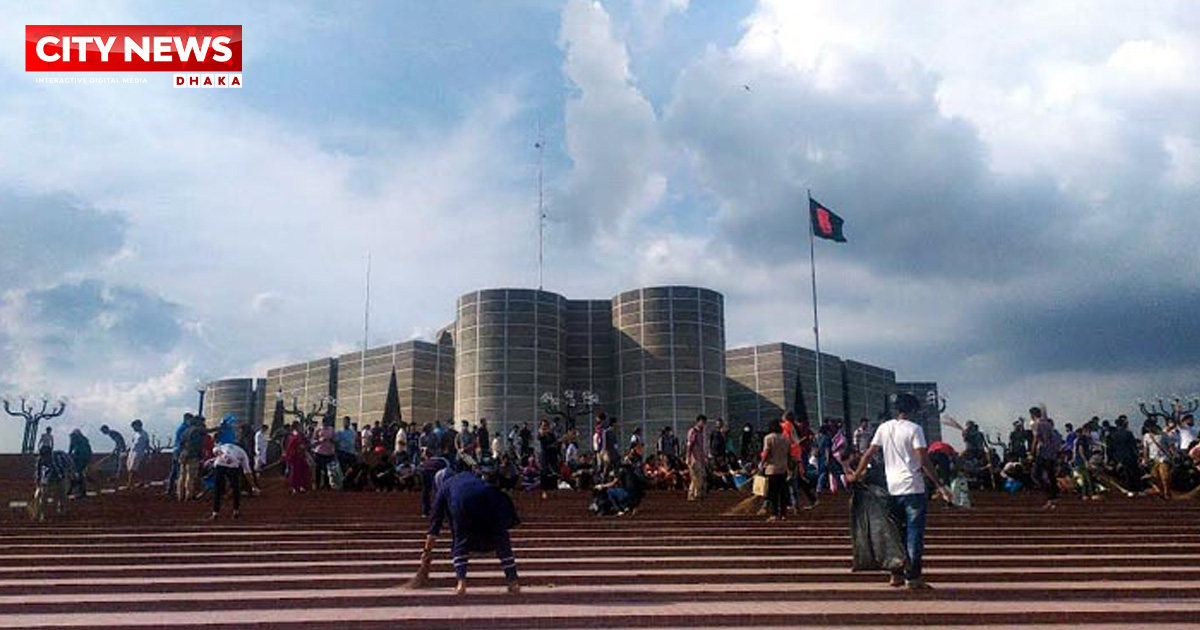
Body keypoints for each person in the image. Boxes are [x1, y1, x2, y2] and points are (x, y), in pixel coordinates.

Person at [848, 393, 951, 590]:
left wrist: (858, 473)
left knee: (895, 532)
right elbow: (923, 460)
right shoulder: (915, 429)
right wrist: (939, 485)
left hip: (891, 488)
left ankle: (895, 574)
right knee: (914, 533)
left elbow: (869, 453)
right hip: (913, 487)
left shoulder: (884, 427)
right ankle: (912, 577)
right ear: (912, 410)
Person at [419, 468, 522, 595]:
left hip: (463, 503)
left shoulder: (444, 487)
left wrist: (427, 552)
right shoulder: (469, 476)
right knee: (501, 538)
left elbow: (435, 526)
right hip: (491, 497)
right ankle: (513, 582)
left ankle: (461, 583)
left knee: (460, 540)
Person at [207, 438, 257, 520]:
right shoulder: (243, 453)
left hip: (219, 465)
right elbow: (247, 471)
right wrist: (253, 486)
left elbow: (215, 450)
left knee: (217, 490)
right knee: (236, 489)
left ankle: (215, 512)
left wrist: (222, 456)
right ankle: (236, 511)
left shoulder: (224, 445)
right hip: (233, 466)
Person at [1028, 407, 1061, 510]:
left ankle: (1050, 496)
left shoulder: (1036, 424)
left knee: (1036, 475)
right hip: (1051, 453)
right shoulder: (1048, 424)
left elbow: (1036, 439)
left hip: (1042, 453)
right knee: (1051, 475)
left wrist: (1031, 453)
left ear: (1032, 415)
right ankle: (1053, 497)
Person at [33, 446, 75, 521]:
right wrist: (38, 483)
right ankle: (42, 514)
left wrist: (70, 474)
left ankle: (62, 512)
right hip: (48, 479)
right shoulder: (40, 460)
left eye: (46, 455)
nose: (45, 457)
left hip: (61, 477)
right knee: (44, 496)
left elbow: (69, 464)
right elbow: (38, 472)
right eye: (43, 455)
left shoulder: (59, 457)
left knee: (62, 495)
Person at [761, 418, 791, 521]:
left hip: (771, 469)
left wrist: (762, 463)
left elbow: (766, 452)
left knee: (773, 493)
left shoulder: (768, 438)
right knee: (782, 493)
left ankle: (774, 513)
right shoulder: (786, 438)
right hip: (782, 469)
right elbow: (789, 454)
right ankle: (783, 514)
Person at [283, 423, 312, 493]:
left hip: (301, 456)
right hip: (294, 457)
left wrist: (304, 447)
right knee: (294, 473)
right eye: (299, 427)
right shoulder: (291, 436)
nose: (300, 428)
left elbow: (306, 443)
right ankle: (294, 487)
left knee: (303, 471)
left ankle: (302, 486)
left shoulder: (301, 435)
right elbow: (288, 447)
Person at [686, 415, 709, 501]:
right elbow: (689, 445)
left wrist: (705, 457)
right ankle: (692, 494)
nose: (704, 424)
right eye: (703, 422)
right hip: (694, 458)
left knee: (701, 476)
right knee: (696, 477)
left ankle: (697, 493)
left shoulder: (701, 433)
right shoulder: (693, 431)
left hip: (700, 458)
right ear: (698, 422)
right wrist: (688, 457)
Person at [67, 428, 92, 499]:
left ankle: (79, 491)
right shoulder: (84, 439)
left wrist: (69, 456)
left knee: (77, 474)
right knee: (79, 474)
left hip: (78, 457)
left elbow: (71, 448)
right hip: (85, 458)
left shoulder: (73, 437)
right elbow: (89, 449)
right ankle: (75, 489)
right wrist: (89, 458)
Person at [127, 419, 151, 488]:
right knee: (130, 468)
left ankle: (129, 484)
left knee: (133, 469)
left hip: (138, 453)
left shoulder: (144, 434)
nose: (133, 428)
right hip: (132, 452)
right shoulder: (135, 434)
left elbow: (147, 444)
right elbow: (132, 443)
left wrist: (148, 454)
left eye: (134, 427)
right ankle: (139, 481)